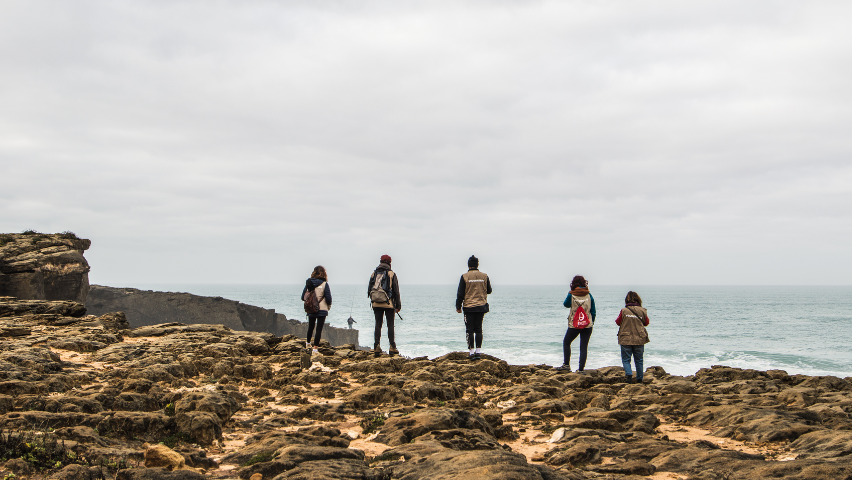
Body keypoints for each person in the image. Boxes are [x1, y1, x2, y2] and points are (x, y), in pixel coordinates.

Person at [456, 255, 492, 361]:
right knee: (479, 329)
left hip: (469, 307)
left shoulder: (464, 276)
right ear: (477, 265)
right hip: (481, 306)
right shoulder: (484, 276)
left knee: (470, 330)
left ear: (468, 265)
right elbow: (489, 290)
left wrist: (458, 306)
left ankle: (471, 353)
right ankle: (478, 352)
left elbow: (460, 293)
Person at [558, 275, 596, 373]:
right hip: (587, 325)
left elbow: (566, 304)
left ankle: (566, 365)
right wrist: (591, 322)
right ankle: (581, 369)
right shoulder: (589, 295)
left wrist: (570, 294)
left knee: (567, 342)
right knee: (583, 347)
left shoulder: (571, 294)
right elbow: (593, 310)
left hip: (574, 324)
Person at [368, 255, 401, 356]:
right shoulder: (391, 274)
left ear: (380, 262)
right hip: (388, 303)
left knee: (378, 324)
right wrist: (398, 306)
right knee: (390, 325)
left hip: (376, 303)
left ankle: (376, 347)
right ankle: (392, 346)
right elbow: (396, 291)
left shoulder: (374, 274)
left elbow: (369, 289)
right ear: (389, 263)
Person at [616, 291, 650, 383]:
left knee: (626, 359)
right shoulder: (643, 310)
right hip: (639, 338)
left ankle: (629, 375)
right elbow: (646, 323)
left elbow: (618, 322)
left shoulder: (624, 310)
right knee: (639, 360)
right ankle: (639, 379)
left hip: (625, 338)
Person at [301, 265, 332, 355]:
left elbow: (303, 297)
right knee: (319, 329)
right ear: (324, 273)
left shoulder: (309, 283)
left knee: (310, 327)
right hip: (322, 310)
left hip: (311, 308)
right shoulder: (324, 284)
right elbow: (328, 299)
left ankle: (308, 344)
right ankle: (315, 349)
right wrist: (328, 306)